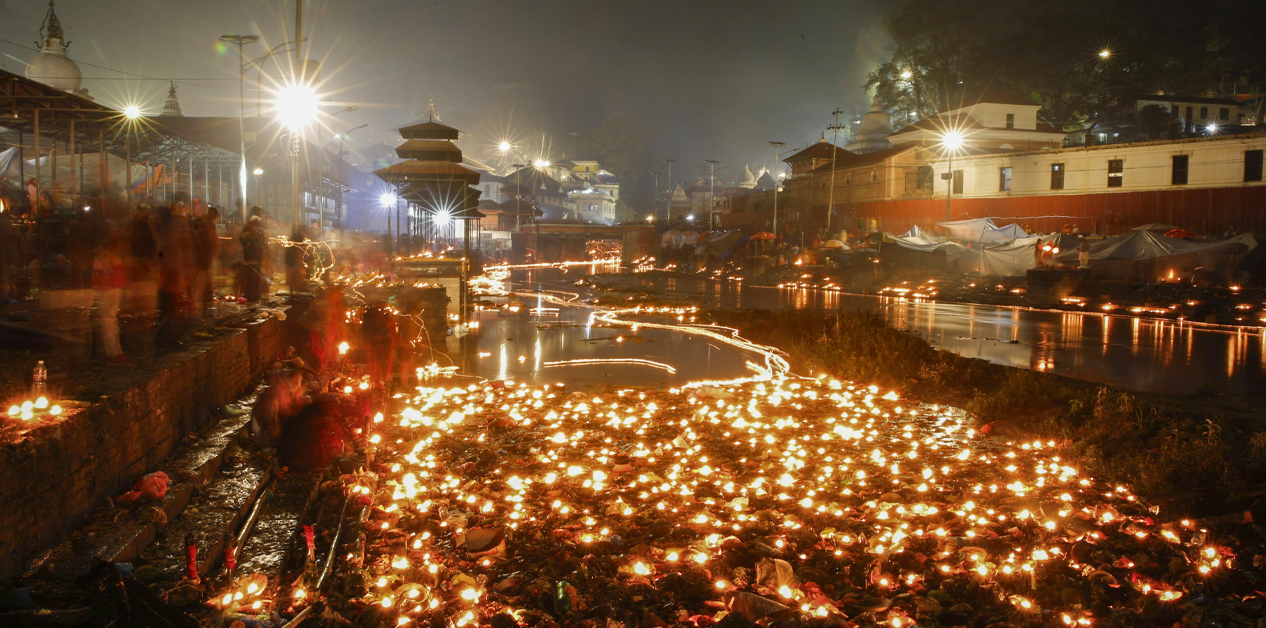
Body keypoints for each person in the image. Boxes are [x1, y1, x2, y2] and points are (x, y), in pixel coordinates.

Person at [156, 194, 195, 344]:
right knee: (171, 308)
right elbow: (176, 250)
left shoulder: (167, 225)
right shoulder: (177, 225)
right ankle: (170, 340)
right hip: (173, 271)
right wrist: (180, 272)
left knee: (169, 306)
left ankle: (167, 338)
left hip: (170, 270)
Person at [92, 233, 128, 364]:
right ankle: (113, 353)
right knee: (109, 320)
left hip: (110, 288)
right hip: (110, 289)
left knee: (110, 319)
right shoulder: (108, 257)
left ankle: (115, 351)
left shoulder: (104, 256)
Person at [191, 206, 220, 317]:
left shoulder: (199, 222)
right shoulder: (209, 224)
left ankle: (199, 302)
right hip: (205, 257)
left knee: (199, 279)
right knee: (205, 279)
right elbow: (213, 240)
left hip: (197, 256)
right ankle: (203, 304)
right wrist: (214, 252)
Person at [238, 214, 267, 302]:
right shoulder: (256, 233)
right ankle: (253, 296)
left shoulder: (249, 233)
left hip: (251, 260)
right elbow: (262, 246)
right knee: (253, 280)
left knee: (252, 280)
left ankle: (252, 296)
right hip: (253, 260)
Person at [285, 226, 308, 294]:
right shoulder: (298, 240)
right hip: (294, 260)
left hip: (290, 260)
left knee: (291, 275)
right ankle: (294, 289)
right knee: (294, 275)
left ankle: (292, 289)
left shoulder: (293, 238)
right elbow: (299, 253)